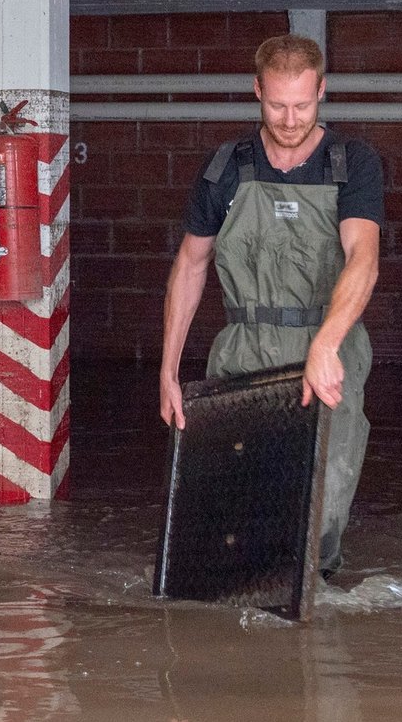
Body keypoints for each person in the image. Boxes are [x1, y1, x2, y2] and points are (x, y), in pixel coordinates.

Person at [158, 35, 383, 577]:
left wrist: (326, 345)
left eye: (303, 105)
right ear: (257, 90)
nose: (289, 118)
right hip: (244, 348)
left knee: (320, 509)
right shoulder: (226, 169)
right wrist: (168, 371)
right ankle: (243, 625)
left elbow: (364, 260)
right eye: (277, 104)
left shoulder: (351, 163)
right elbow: (190, 266)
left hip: (327, 347)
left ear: (322, 91)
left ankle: (314, 594)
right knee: (235, 505)